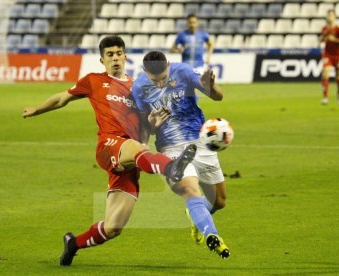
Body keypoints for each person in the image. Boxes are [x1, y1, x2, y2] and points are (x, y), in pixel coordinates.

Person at [22, 36, 197, 266]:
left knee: (113, 227)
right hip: (109, 145)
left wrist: (153, 125)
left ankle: (73, 244)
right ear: (102, 60)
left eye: (118, 53)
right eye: (110, 55)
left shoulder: (139, 88)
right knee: (137, 148)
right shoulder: (93, 81)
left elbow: (144, 133)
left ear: (125, 56)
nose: (115, 58)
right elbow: (61, 99)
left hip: (132, 158)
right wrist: (37, 109)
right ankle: (171, 167)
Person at [132, 51, 230, 259]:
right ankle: (212, 235)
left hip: (200, 142)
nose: (159, 85)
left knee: (219, 201)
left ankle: (196, 216)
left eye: (163, 79)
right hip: (171, 149)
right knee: (189, 189)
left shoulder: (184, 71)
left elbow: (218, 97)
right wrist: (144, 142)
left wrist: (210, 85)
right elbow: (143, 123)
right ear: (144, 72)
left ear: (169, 66)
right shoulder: (139, 86)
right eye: (154, 80)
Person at [319, 9, 339, 105]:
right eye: (328, 15)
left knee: (338, 76)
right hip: (328, 54)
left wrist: (334, 39)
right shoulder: (324, 28)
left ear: (335, 16)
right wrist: (323, 38)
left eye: (331, 15)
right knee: (325, 74)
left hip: (338, 55)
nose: (329, 16)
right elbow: (321, 40)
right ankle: (325, 97)